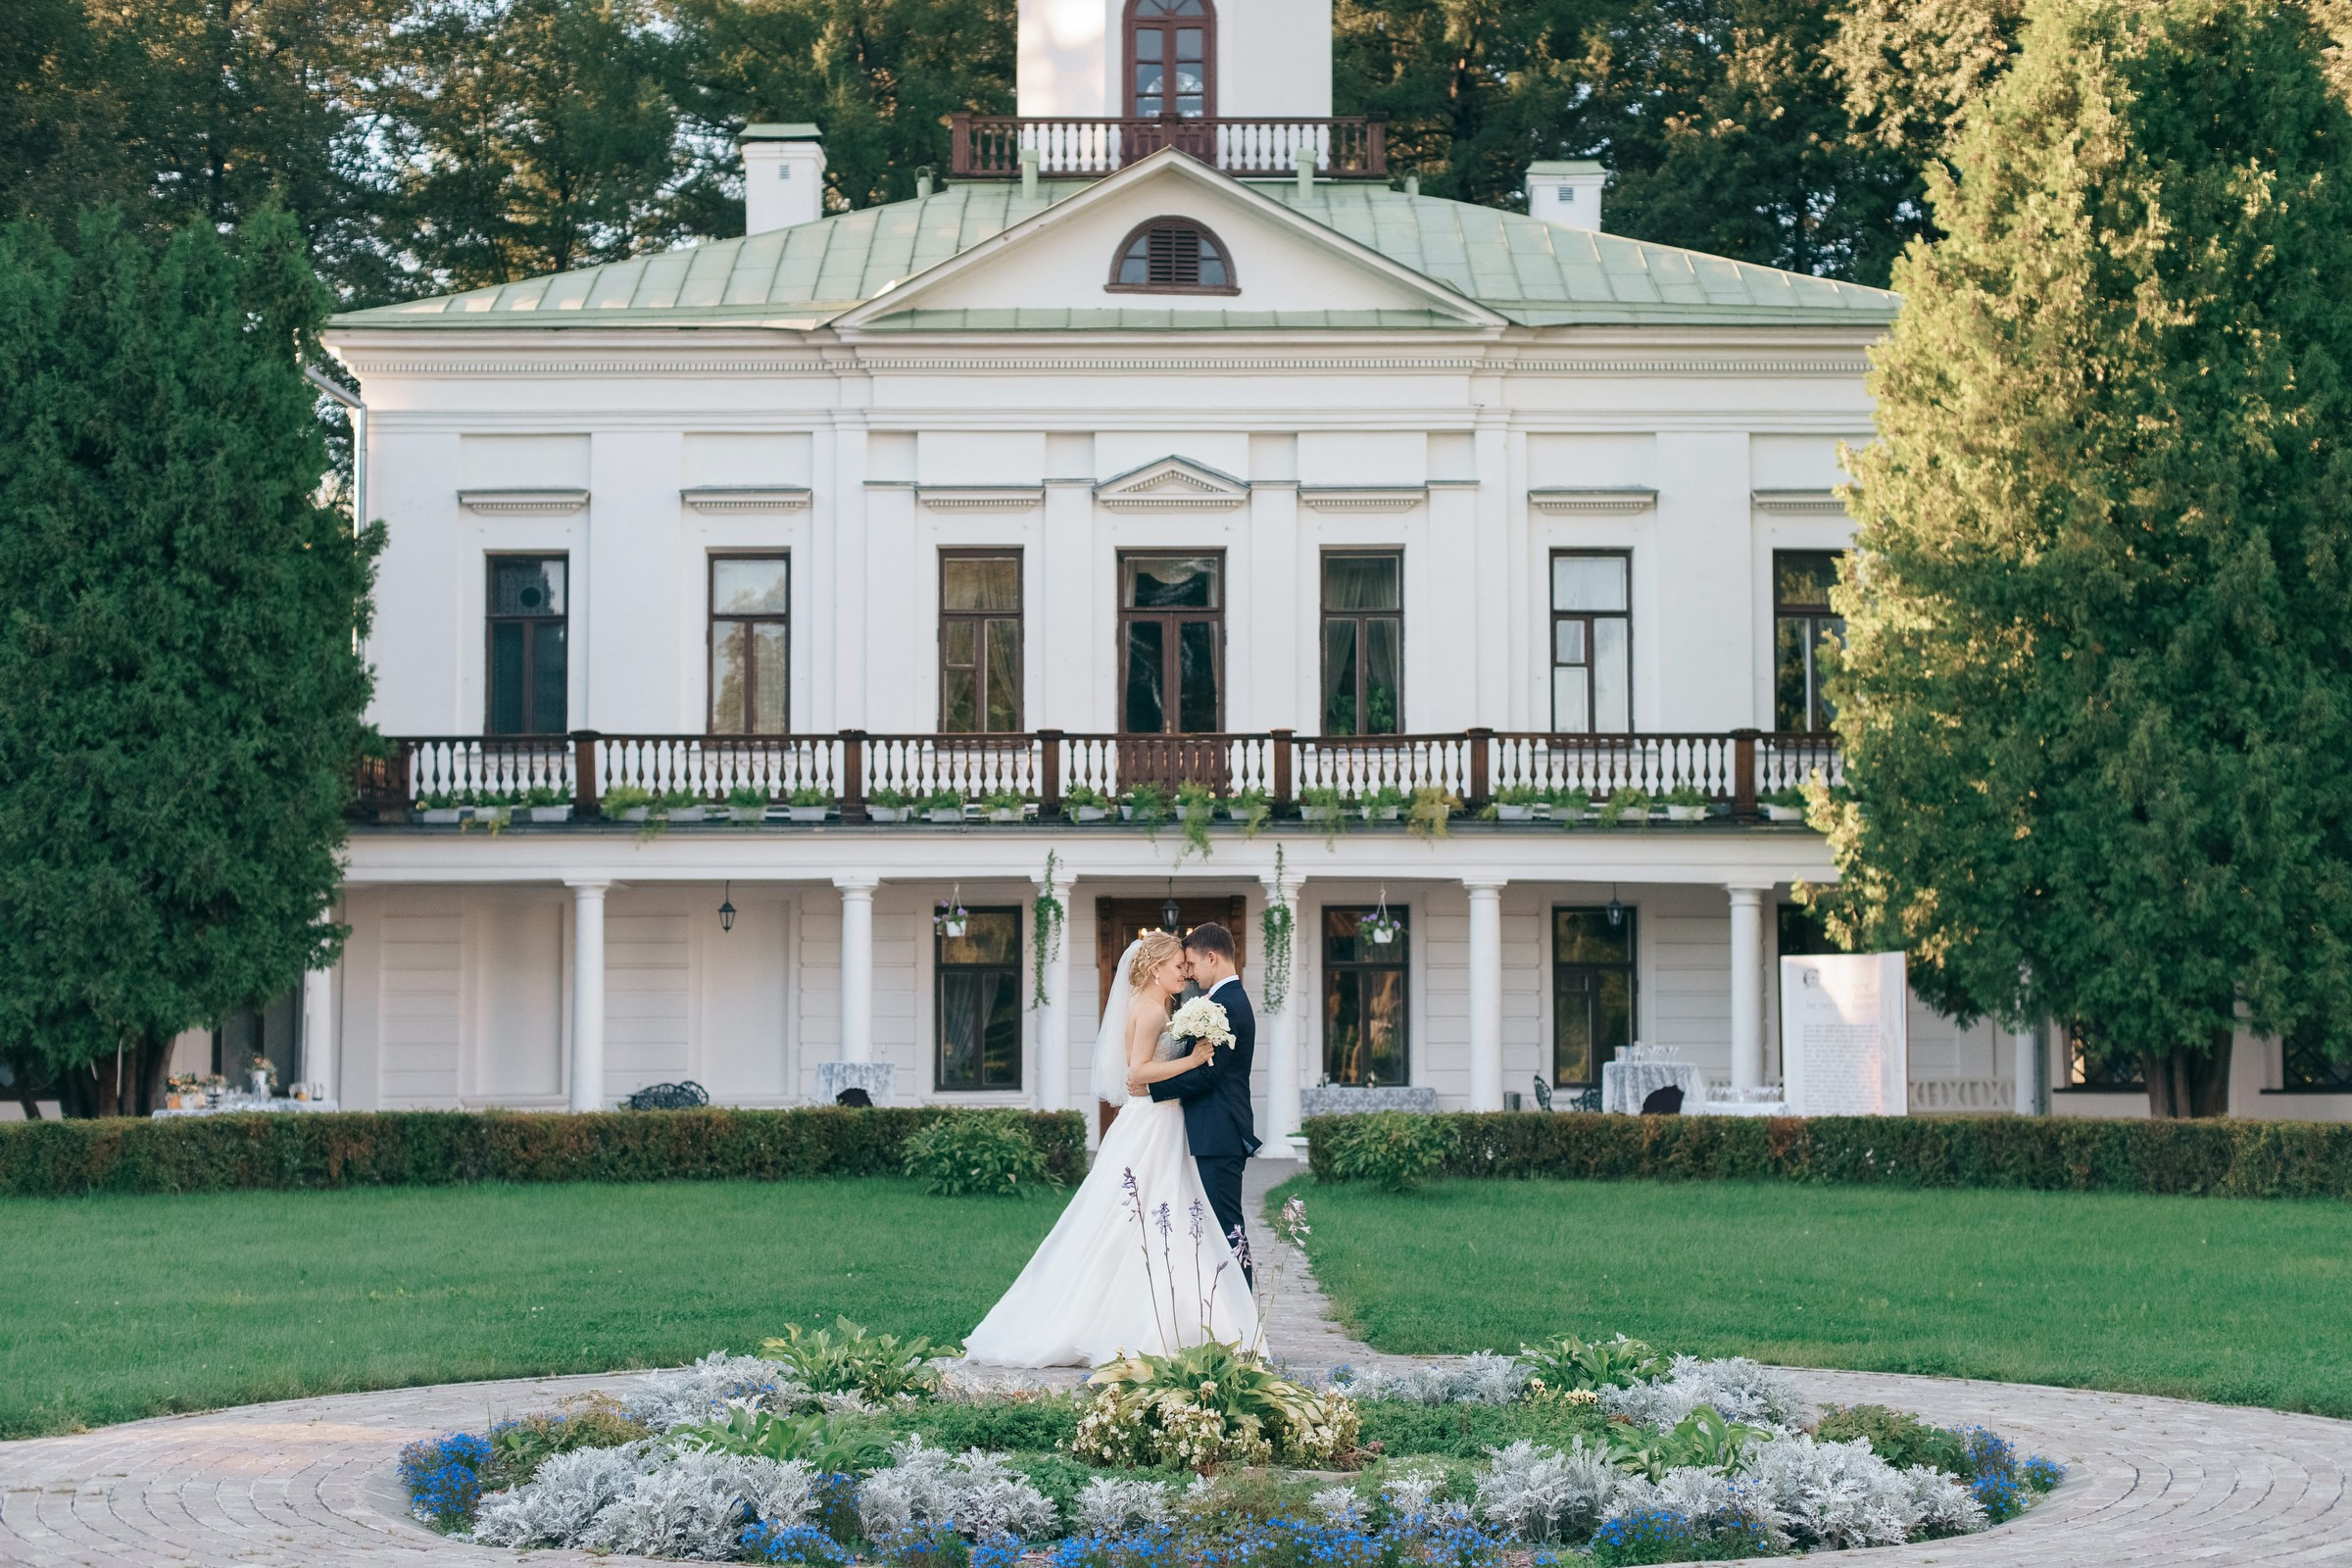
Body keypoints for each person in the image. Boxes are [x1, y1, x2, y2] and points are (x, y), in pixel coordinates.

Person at [961, 930, 1259, 1367]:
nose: (1186, 973)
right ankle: (1185, 1322)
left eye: (1188, 965)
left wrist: (1163, 1080)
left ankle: (1212, 1319)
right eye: (1179, 966)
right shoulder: (1155, 1010)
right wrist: (1187, 1063)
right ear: (1156, 967)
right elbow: (1140, 1070)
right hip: (1156, 1123)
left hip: (1170, 1121)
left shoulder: (1185, 1006)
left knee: (1173, 1218)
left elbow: (1178, 1075)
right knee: (1139, 1218)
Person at [1133, 922, 1259, 1286]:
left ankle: (1243, 1324)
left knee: (1228, 1230)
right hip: (1213, 1132)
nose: (1189, 972)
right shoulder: (1222, 1001)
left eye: (1191, 962)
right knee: (1220, 1228)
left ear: (1212, 957)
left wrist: (1151, 1090)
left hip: (1220, 1132)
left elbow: (1209, 1074)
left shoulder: (1226, 1005)